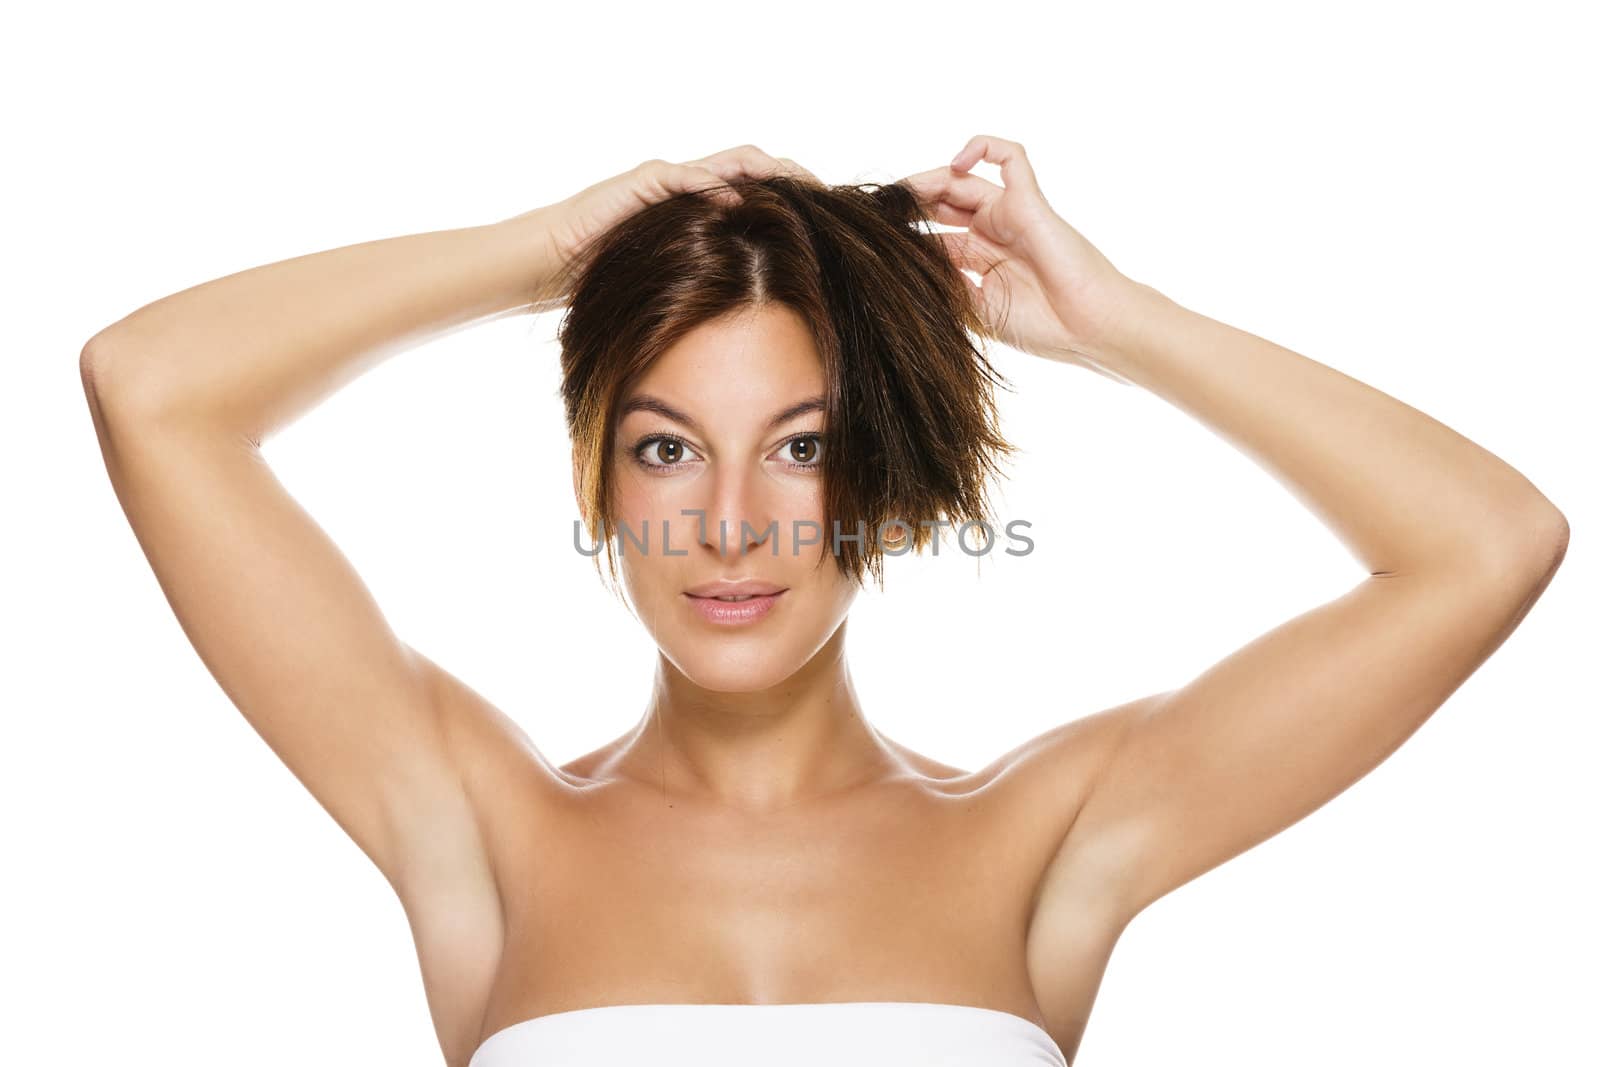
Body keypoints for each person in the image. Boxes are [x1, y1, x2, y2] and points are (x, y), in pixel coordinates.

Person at [78, 136, 1569, 1067]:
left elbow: (1489, 544)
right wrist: (553, 258)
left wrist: (1116, 325)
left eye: (803, 446)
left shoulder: (1042, 837)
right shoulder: (481, 823)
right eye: (668, 445)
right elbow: (149, 391)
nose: (732, 517)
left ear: (890, 477)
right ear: (601, 483)